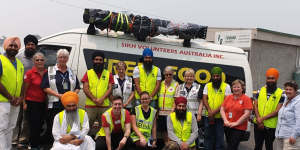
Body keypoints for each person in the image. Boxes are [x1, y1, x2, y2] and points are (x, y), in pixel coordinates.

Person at [41, 49, 80, 144]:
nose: (62, 59)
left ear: (67, 59)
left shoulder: (71, 72)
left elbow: (78, 87)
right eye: (60, 57)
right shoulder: (50, 70)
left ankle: (66, 144)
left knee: (67, 125)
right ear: (57, 58)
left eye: (65, 57)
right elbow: (45, 87)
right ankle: (54, 144)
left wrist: (71, 96)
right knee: (54, 126)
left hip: (68, 105)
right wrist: (58, 95)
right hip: (54, 104)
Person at [13, 34, 39, 147]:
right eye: (28, 44)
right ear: (25, 45)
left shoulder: (37, 58)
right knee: (16, 117)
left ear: (35, 46)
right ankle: (14, 138)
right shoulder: (18, 57)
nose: (30, 46)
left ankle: (23, 140)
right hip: (18, 92)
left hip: (30, 93)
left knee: (26, 118)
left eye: (33, 45)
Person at [0, 37, 24, 150]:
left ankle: (8, 148)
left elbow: (22, 82)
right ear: (5, 47)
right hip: (3, 101)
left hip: (15, 102)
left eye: (15, 46)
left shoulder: (19, 63)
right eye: (11, 45)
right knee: (1, 128)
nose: (13, 48)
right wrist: (10, 97)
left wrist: (20, 97)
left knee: (11, 127)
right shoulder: (0, 60)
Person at [81, 51, 114, 135]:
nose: (98, 61)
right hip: (90, 105)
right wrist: (94, 99)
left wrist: (102, 99)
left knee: (104, 128)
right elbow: (85, 88)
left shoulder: (108, 74)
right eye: (96, 59)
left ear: (103, 61)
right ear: (93, 60)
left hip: (104, 105)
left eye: (100, 60)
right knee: (86, 127)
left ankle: (100, 143)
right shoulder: (88, 73)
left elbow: (110, 88)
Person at [253, 68, 284, 150]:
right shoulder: (260, 90)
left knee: (269, 147)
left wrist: (262, 119)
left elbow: (277, 111)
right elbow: (255, 105)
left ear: (276, 79)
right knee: (257, 146)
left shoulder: (281, 93)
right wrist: (259, 119)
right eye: (268, 78)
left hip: (271, 127)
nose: (270, 80)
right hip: (258, 124)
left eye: (272, 78)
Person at [202, 66, 231, 150]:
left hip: (220, 118)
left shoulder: (226, 86)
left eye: (217, 76)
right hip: (208, 117)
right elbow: (204, 98)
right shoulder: (208, 85)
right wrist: (210, 112)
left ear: (220, 76)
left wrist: (213, 113)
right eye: (214, 76)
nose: (215, 78)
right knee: (207, 138)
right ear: (211, 76)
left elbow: (225, 102)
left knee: (220, 140)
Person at [23, 52, 47, 150]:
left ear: (44, 61)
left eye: (41, 60)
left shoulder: (47, 73)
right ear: (34, 61)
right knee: (34, 125)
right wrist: (24, 102)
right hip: (32, 102)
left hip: (43, 103)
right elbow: (24, 89)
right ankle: (33, 146)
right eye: (37, 60)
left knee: (40, 124)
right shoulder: (29, 73)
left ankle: (36, 144)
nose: (40, 61)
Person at [220, 79, 252, 150]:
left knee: (232, 147)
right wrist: (225, 121)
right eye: (234, 87)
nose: (236, 89)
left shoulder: (246, 99)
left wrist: (236, 123)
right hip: (228, 126)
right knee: (230, 145)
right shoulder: (228, 97)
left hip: (239, 128)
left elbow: (247, 114)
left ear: (242, 88)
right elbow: (222, 109)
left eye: (238, 87)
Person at [275, 81, 300, 149]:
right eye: (286, 89)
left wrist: (294, 136)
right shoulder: (286, 99)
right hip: (280, 136)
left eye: (290, 89)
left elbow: (299, 121)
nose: (288, 91)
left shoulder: (298, 102)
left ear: (295, 91)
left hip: (290, 138)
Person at [158, 66, 179, 143]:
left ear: (173, 74)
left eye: (170, 74)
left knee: (170, 132)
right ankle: (166, 145)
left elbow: (176, 100)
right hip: (160, 112)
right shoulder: (160, 84)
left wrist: (172, 112)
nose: (168, 76)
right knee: (163, 131)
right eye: (166, 74)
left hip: (170, 113)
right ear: (164, 74)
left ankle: (170, 146)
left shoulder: (176, 85)